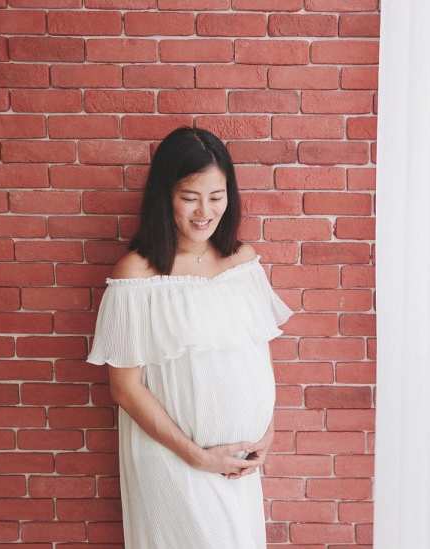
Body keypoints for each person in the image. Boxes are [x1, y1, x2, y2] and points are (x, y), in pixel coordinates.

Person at [86, 126, 293, 548]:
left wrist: (265, 432)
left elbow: (257, 356)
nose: (205, 212)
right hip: (174, 460)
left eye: (216, 197)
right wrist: (198, 456)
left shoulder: (242, 262)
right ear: (164, 196)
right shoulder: (137, 276)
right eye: (189, 197)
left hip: (239, 462)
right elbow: (125, 389)